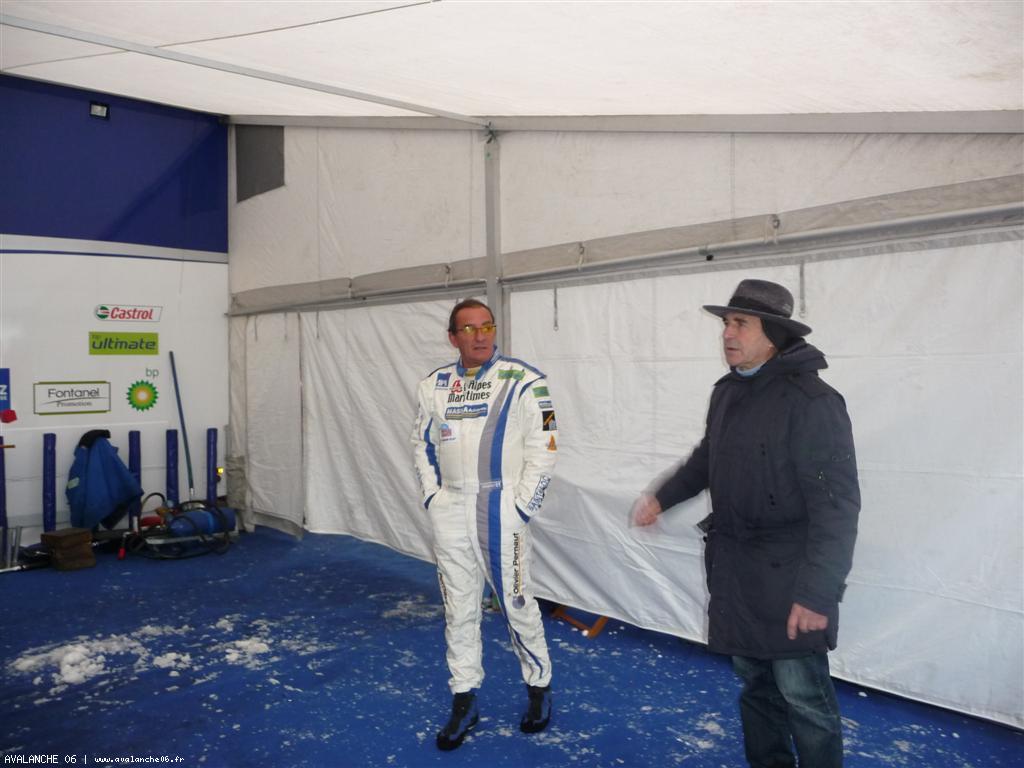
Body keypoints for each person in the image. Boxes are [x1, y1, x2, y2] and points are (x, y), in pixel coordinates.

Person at [633, 279, 860, 768]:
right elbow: (707, 458)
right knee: (756, 687)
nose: (727, 333)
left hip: (791, 579)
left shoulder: (812, 403)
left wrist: (817, 594)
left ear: (773, 334)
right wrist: (663, 498)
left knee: (804, 698)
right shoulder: (728, 392)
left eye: (740, 324)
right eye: (725, 323)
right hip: (736, 570)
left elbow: (837, 508)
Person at [412, 298, 558, 751]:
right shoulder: (434, 385)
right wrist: (434, 497)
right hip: (452, 508)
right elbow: (422, 444)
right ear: (452, 337)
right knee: (458, 607)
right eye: (469, 329)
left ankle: (539, 687)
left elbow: (547, 445)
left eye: (487, 326)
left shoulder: (525, 380)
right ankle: (464, 698)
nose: (480, 336)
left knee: (516, 603)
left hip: (501, 507)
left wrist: (522, 508)